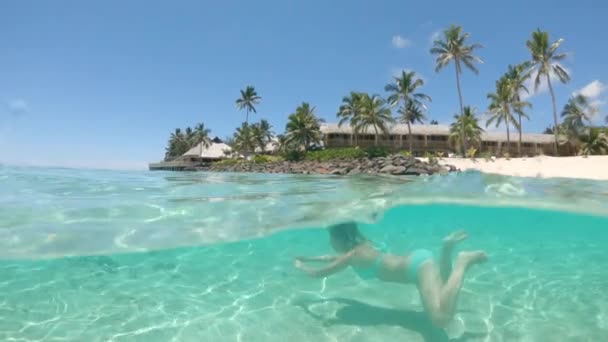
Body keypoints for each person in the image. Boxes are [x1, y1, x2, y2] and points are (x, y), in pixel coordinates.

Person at [293, 222, 487, 327]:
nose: (330, 243)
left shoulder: (352, 256)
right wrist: (308, 257)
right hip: (418, 261)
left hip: (417, 270)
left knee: (441, 320)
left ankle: (462, 262)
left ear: (337, 238)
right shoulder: (362, 246)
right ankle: (447, 248)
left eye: (330, 238)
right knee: (445, 288)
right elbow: (331, 258)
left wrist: (302, 267)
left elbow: (320, 274)